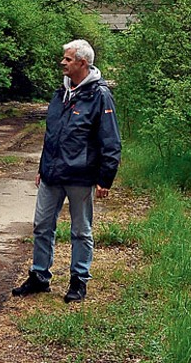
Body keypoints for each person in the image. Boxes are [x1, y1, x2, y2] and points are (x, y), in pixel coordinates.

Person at [12, 39, 121, 305]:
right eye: (64, 58)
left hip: (81, 176)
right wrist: (42, 167)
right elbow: (52, 135)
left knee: (81, 231)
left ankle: (78, 280)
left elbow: (110, 140)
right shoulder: (60, 93)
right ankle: (39, 276)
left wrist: (105, 178)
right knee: (41, 226)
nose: (63, 62)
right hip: (52, 175)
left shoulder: (100, 95)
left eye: (68, 59)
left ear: (83, 63)